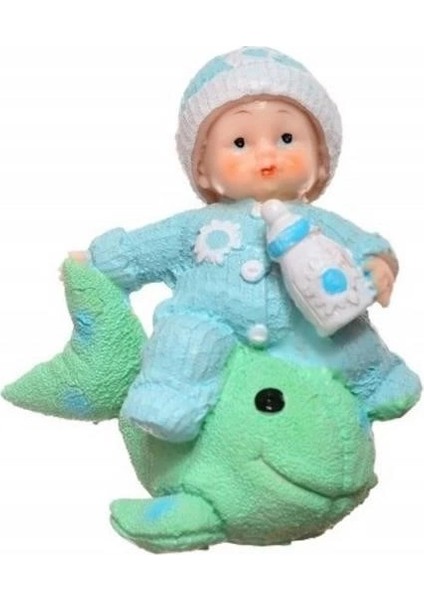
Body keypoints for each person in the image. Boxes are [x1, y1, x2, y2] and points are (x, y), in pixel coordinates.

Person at [69, 47, 420, 442]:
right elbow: (142, 250)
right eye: (239, 142)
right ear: (203, 168)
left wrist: (377, 265)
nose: (266, 154)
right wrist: (97, 261)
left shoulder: (318, 224)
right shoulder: (195, 227)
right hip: (210, 320)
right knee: (185, 340)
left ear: (320, 161)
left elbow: (362, 245)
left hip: (305, 325)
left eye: (286, 138)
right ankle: (167, 401)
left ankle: (380, 381)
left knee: (348, 338)